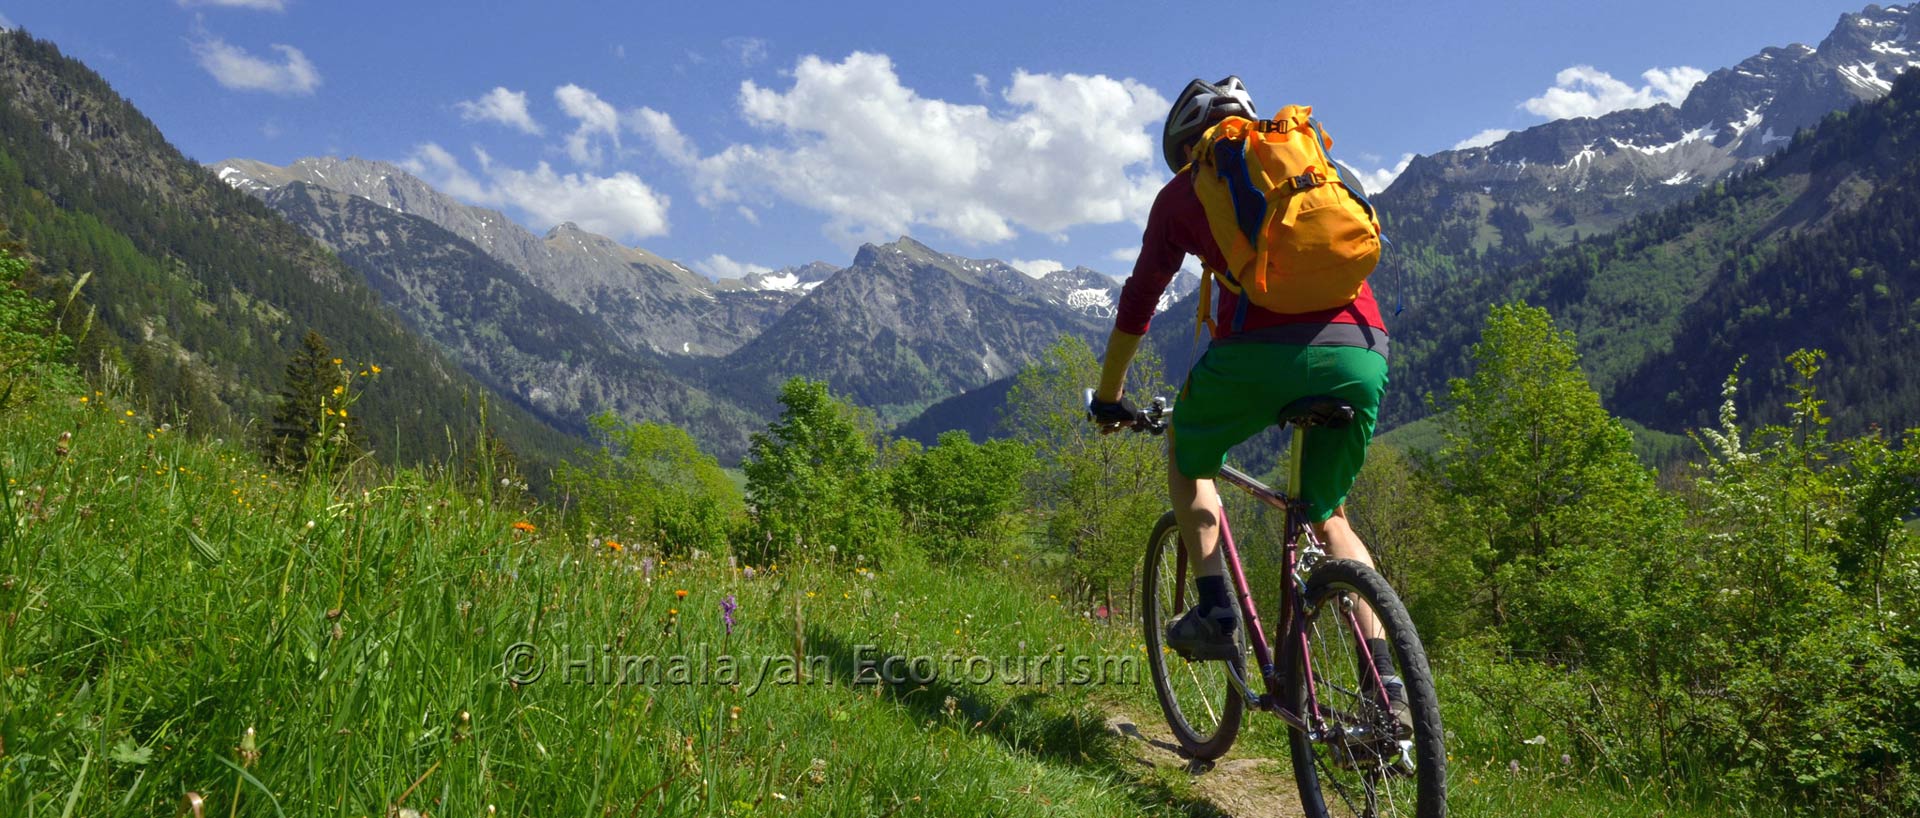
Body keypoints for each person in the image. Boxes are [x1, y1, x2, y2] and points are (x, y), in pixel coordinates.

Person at [1087, 76, 1396, 695]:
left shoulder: (1183, 193)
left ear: (1185, 145)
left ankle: (1217, 611)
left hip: (1255, 357)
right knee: (1328, 516)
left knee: (1188, 457)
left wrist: (1109, 397)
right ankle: (1388, 686)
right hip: (1360, 349)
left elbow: (1138, 303)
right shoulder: (1315, 165)